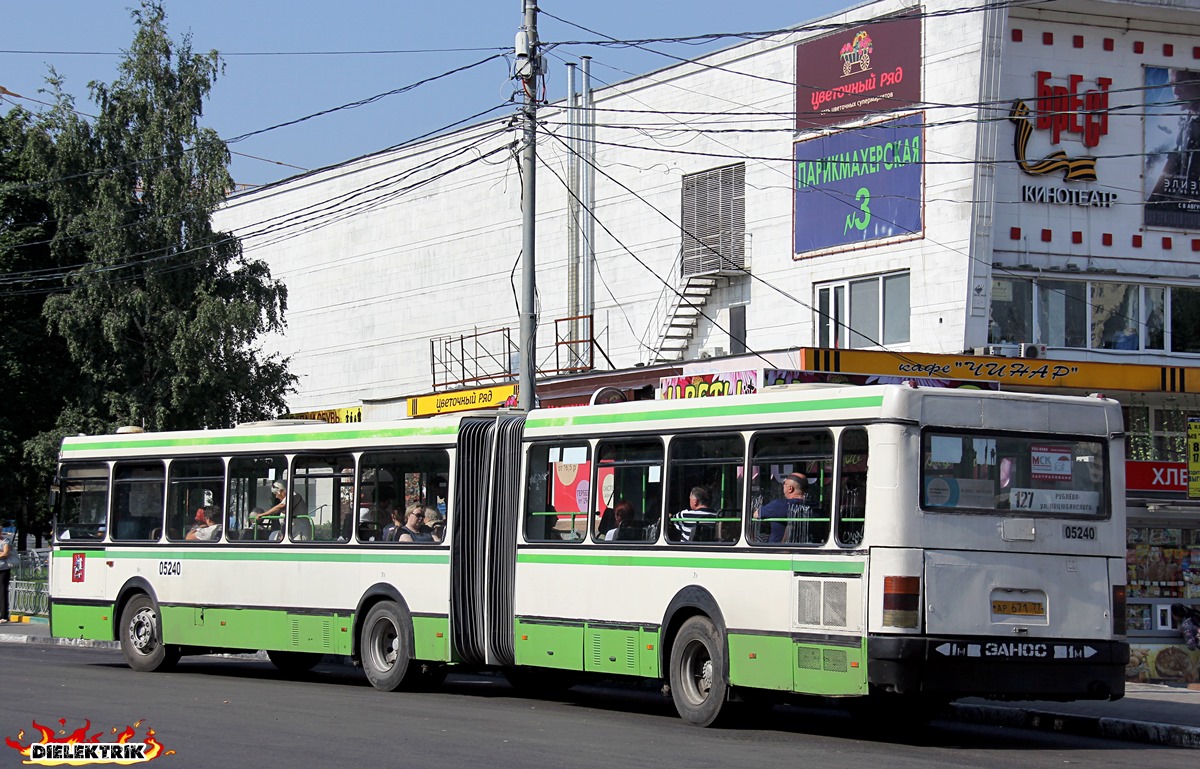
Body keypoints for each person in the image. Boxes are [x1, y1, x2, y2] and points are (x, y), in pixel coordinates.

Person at [755, 473, 814, 544]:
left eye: (784, 484)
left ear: (790, 488)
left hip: (776, 549)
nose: (783, 486)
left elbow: (756, 514)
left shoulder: (779, 505)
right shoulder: (813, 506)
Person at [0, 533, 11, 623]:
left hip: (3, 569)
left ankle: (4, 615)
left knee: (2, 591)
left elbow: (5, 554)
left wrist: (2, 553)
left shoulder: (5, 541)